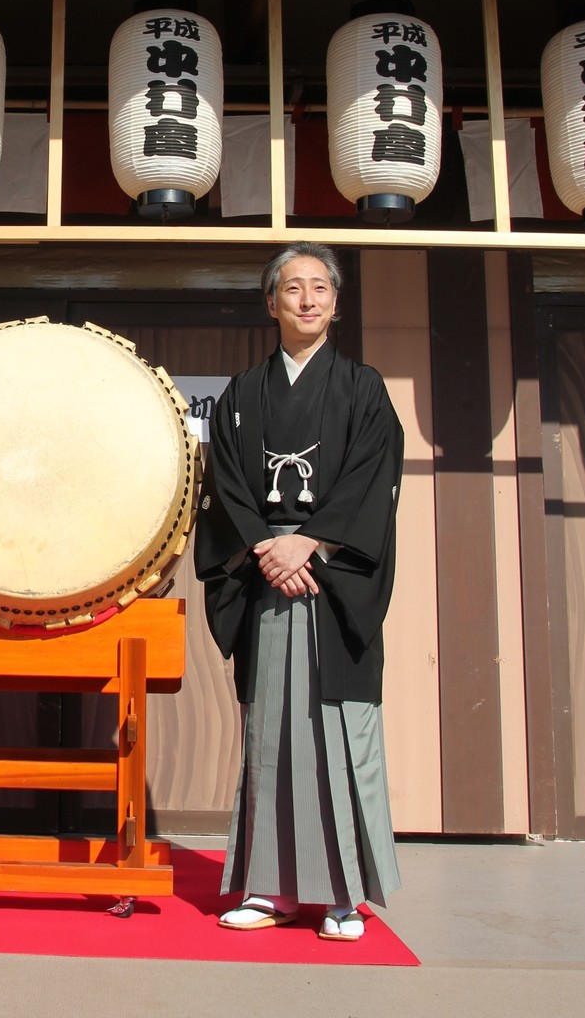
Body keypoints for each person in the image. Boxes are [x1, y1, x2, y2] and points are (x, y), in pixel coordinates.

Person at [194, 241, 403, 942]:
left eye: (319, 287)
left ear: (335, 303)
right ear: (270, 303)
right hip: (265, 579)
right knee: (269, 738)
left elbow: (370, 482)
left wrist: (308, 543)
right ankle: (266, 887)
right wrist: (267, 547)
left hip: (331, 579)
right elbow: (223, 488)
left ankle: (343, 894)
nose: (307, 299)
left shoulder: (362, 389)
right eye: (292, 288)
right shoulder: (242, 396)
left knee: (339, 735)